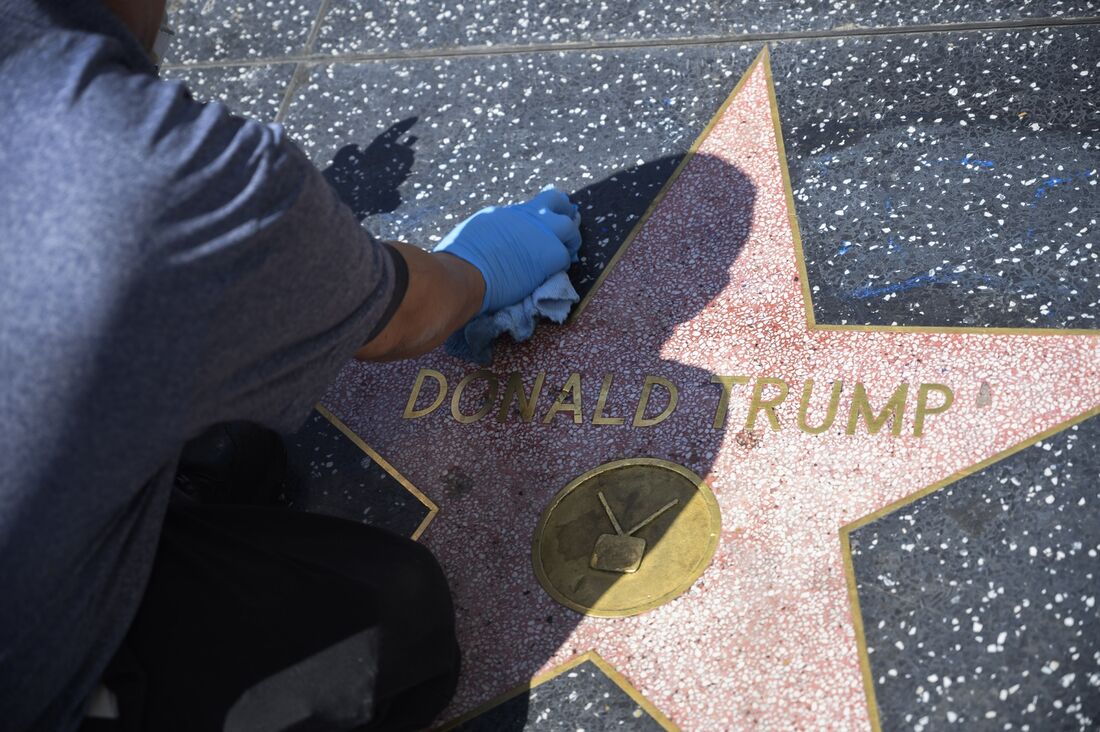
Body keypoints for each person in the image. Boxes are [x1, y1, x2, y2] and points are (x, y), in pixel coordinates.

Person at [0, 1, 582, 730]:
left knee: (226, 447)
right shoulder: (171, 170)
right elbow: (406, 317)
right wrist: (479, 267)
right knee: (386, 612)